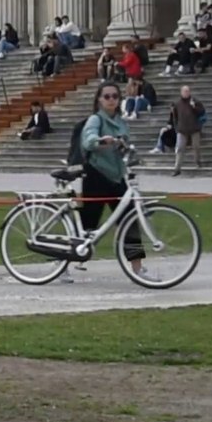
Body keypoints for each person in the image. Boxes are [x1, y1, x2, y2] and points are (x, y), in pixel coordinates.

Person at [78, 82, 147, 277]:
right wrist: (100, 140)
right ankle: (65, 262)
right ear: (99, 99)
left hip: (117, 177)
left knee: (130, 219)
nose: (111, 100)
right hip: (96, 175)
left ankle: (137, 267)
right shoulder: (95, 119)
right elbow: (88, 139)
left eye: (115, 96)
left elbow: (123, 143)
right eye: (106, 96)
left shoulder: (121, 121)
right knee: (88, 225)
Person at [172, 85, 206, 176]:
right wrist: (176, 127)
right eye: (184, 91)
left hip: (194, 128)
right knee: (179, 148)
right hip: (182, 129)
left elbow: (202, 112)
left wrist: (194, 107)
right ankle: (177, 168)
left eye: (187, 91)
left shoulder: (195, 101)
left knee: (196, 147)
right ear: (181, 92)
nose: (186, 93)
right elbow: (174, 116)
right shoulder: (177, 103)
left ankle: (197, 161)